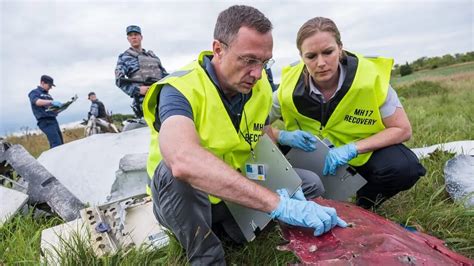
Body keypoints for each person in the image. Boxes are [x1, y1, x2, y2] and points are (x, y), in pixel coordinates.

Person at [142, 6, 347, 265]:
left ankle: (234, 233)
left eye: (264, 62)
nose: (258, 73)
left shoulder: (258, 86)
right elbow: (183, 160)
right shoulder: (180, 89)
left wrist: (281, 156)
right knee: (172, 171)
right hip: (188, 199)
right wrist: (277, 204)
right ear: (218, 49)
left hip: (233, 187)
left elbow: (259, 134)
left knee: (308, 184)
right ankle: (206, 256)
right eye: (249, 60)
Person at [271, 17, 426, 209]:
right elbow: (253, 125)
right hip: (312, 157)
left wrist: (352, 148)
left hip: (362, 155)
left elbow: (402, 129)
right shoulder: (287, 88)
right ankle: (303, 203)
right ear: (302, 56)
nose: (321, 63)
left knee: (405, 167)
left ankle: (364, 205)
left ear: (340, 48)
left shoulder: (370, 80)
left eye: (328, 52)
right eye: (311, 56)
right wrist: (283, 136)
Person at [115, 25, 168, 118]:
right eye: (131, 35)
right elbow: (119, 80)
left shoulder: (153, 57)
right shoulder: (125, 57)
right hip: (144, 103)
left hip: (163, 99)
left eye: (136, 34)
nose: (133, 37)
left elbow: (165, 76)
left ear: (141, 37)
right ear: (128, 39)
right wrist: (138, 90)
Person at [28, 75, 64, 148]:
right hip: (45, 121)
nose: (50, 88)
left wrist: (62, 108)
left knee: (61, 143)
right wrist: (51, 102)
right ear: (42, 82)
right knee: (57, 144)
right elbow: (37, 102)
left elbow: (53, 110)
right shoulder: (34, 92)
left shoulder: (48, 95)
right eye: (49, 85)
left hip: (53, 120)